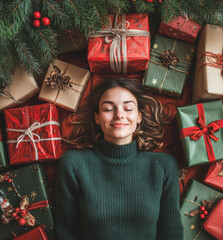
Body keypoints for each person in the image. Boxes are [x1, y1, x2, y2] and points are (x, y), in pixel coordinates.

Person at [55, 78, 183, 240]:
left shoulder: (163, 166)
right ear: (97, 118)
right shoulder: (74, 164)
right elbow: (66, 232)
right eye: (108, 109)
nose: (119, 115)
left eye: (128, 108)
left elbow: (171, 233)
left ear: (139, 117)